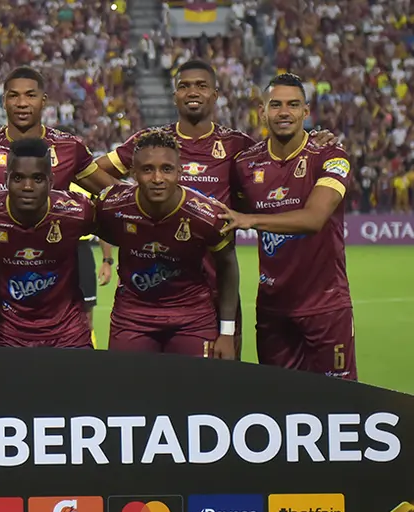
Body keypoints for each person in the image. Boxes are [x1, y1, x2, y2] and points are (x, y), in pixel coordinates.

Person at [95, 60, 336, 357]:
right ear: (174, 96)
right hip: (152, 293)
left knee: (213, 395)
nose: (192, 92)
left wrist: (315, 142)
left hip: (217, 294)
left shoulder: (238, 146)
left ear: (215, 94)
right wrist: (135, 203)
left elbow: (279, 170)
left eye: (201, 86)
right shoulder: (151, 146)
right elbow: (93, 173)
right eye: (184, 86)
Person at [0, 66, 117, 332]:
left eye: (30, 95)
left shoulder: (69, 148)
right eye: (13, 96)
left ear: (44, 101)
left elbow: (115, 196)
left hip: (58, 295)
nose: (22, 103)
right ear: (3, 101)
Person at [221, 73, 357, 380]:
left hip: (325, 306)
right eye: (276, 104)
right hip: (273, 310)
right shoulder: (245, 164)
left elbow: (314, 219)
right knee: (279, 405)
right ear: (263, 110)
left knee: (339, 406)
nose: (284, 112)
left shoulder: (330, 155)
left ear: (306, 112)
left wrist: (251, 220)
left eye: (293, 105)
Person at [94, 129, 239, 359]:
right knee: (127, 393)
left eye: (167, 169)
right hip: (132, 316)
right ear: (133, 173)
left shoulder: (207, 216)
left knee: (192, 395)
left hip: (192, 318)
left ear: (180, 172)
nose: (158, 179)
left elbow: (228, 265)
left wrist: (227, 333)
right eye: (147, 170)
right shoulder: (112, 206)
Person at [0, 138, 97, 348]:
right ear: (6, 179)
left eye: (37, 178)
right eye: (18, 178)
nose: (27, 187)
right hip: (7, 335)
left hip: (68, 334)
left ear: (51, 181)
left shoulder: (78, 212)